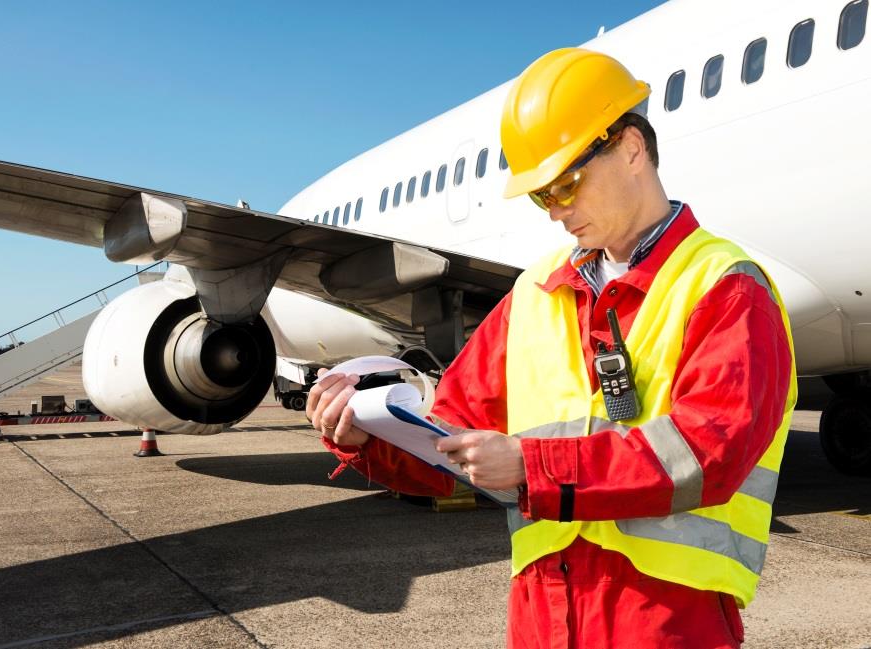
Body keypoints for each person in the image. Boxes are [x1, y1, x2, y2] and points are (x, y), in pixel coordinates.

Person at [308, 48, 795, 648]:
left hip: (665, 620)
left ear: (632, 148)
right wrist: (367, 438)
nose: (556, 211)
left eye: (566, 182)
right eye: (542, 196)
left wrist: (532, 466)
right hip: (543, 614)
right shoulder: (534, 293)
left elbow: (708, 454)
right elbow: (450, 444)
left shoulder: (726, 285)